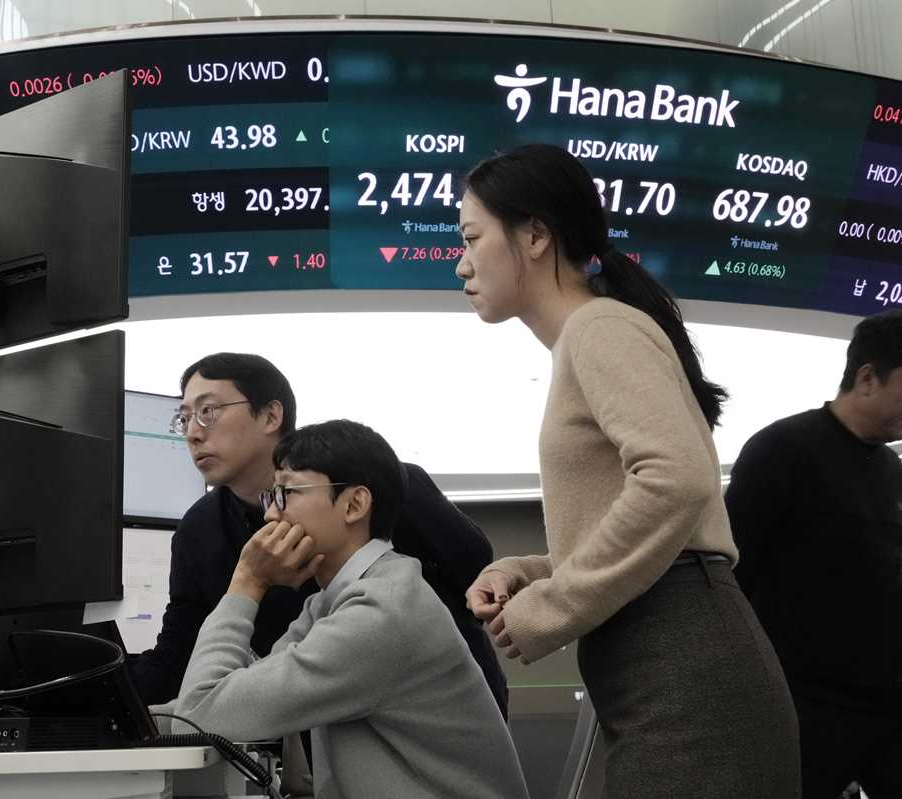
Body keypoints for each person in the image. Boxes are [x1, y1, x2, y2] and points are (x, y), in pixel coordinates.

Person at [455, 143, 800, 797]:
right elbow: (657, 521)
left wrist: (551, 605)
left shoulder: (599, 329)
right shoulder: (592, 335)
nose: (462, 262)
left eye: (473, 238)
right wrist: (529, 573)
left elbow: (675, 480)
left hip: (681, 657)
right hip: (670, 655)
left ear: (535, 235)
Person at [129, 352, 508, 717]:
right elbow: (181, 656)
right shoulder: (199, 530)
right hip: (309, 718)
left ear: (271, 415)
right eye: (184, 418)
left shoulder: (380, 487)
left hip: (435, 713)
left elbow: (473, 570)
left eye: (208, 412)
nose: (193, 433)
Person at [175, 420, 530, 799]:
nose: (270, 516)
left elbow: (200, 715)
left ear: (354, 504)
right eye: (271, 496)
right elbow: (229, 698)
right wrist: (142, 719)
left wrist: (247, 581)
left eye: (287, 493)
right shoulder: (333, 602)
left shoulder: (380, 613)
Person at [725, 309, 902, 798]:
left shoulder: (893, 470)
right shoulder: (781, 449)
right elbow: (732, 573)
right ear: (868, 377)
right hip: (808, 704)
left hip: (894, 699)